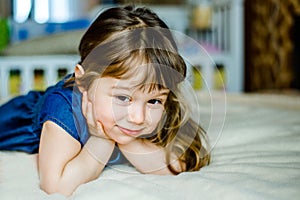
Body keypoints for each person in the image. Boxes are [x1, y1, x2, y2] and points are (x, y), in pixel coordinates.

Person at [0, 5, 210, 196]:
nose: (138, 117)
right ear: (84, 82)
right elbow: (55, 186)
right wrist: (102, 140)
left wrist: (124, 140)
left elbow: (181, 163)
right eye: (122, 97)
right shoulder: (63, 110)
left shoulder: (157, 101)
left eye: (153, 101)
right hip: (11, 120)